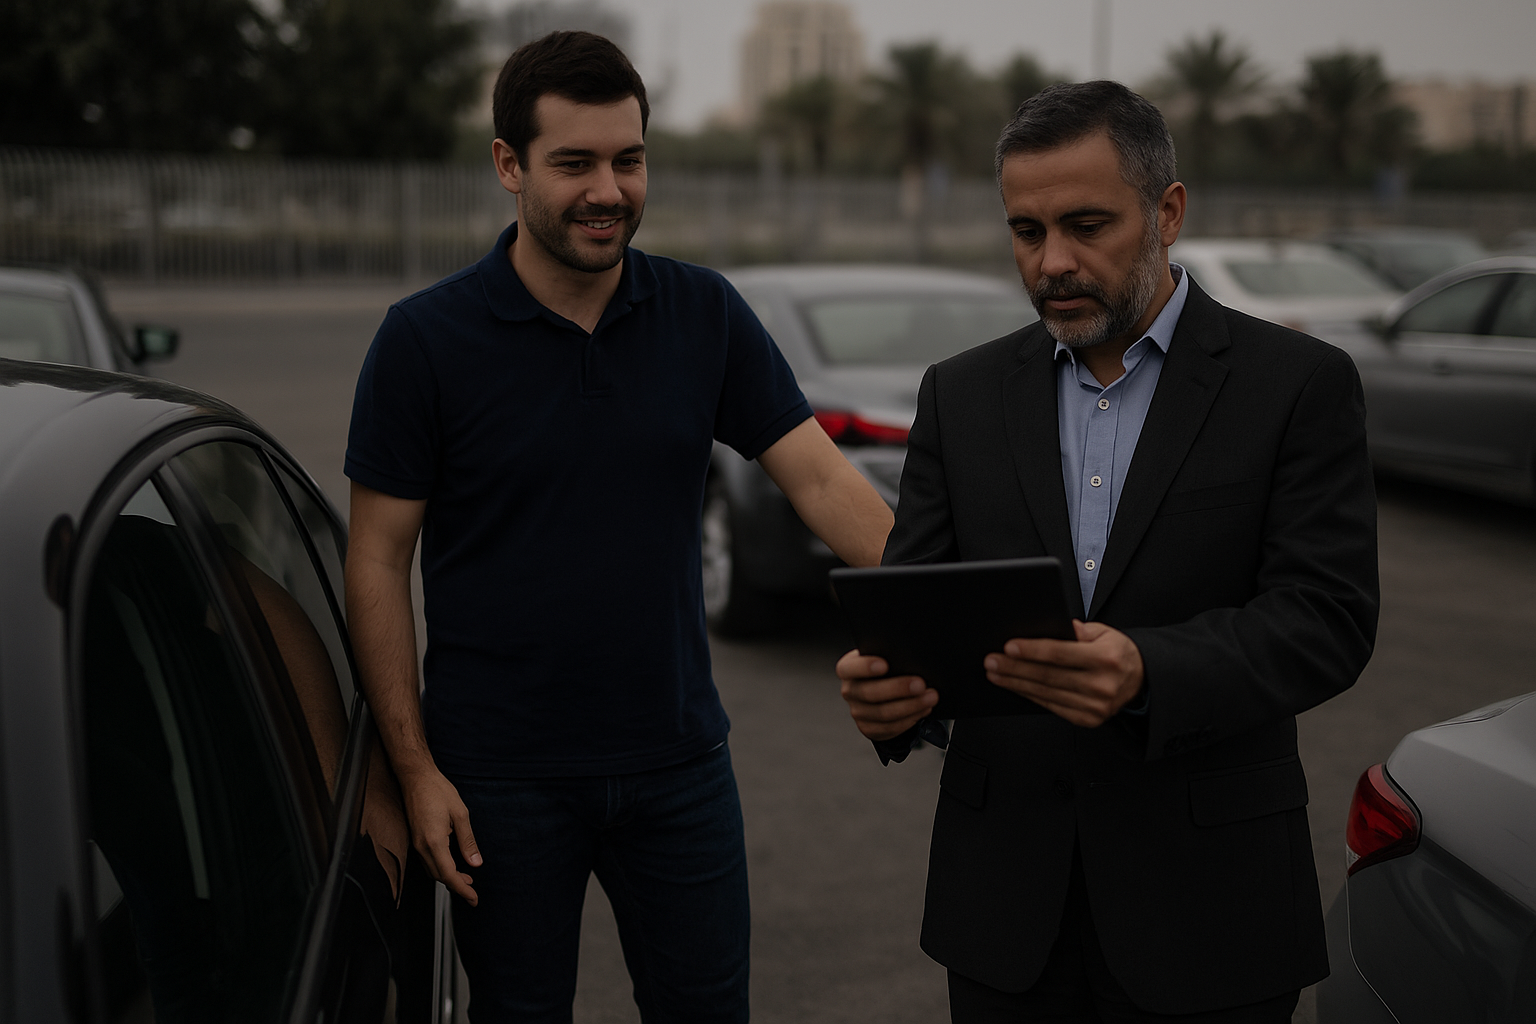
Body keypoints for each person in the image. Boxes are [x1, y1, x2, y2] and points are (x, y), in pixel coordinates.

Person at [343, 30, 893, 1023]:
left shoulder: (703, 312)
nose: (609, 190)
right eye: (575, 163)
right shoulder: (423, 341)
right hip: (498, 781)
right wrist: (413, 770)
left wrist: (956, 609)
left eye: (628, 160)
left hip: (679, 766)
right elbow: (378, 560)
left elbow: (819, 478)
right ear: (509, 165)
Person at [836, 81, 1379, 1022]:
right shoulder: (959, 395)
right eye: (1027, 231)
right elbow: (921, 612)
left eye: (1087, 226)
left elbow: (1326, 618)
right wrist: (891, 700)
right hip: (1005, 912)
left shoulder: (1298, 385)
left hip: (1213, 911)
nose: (1053, 262)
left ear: (1167, 212)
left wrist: (1147, 671)